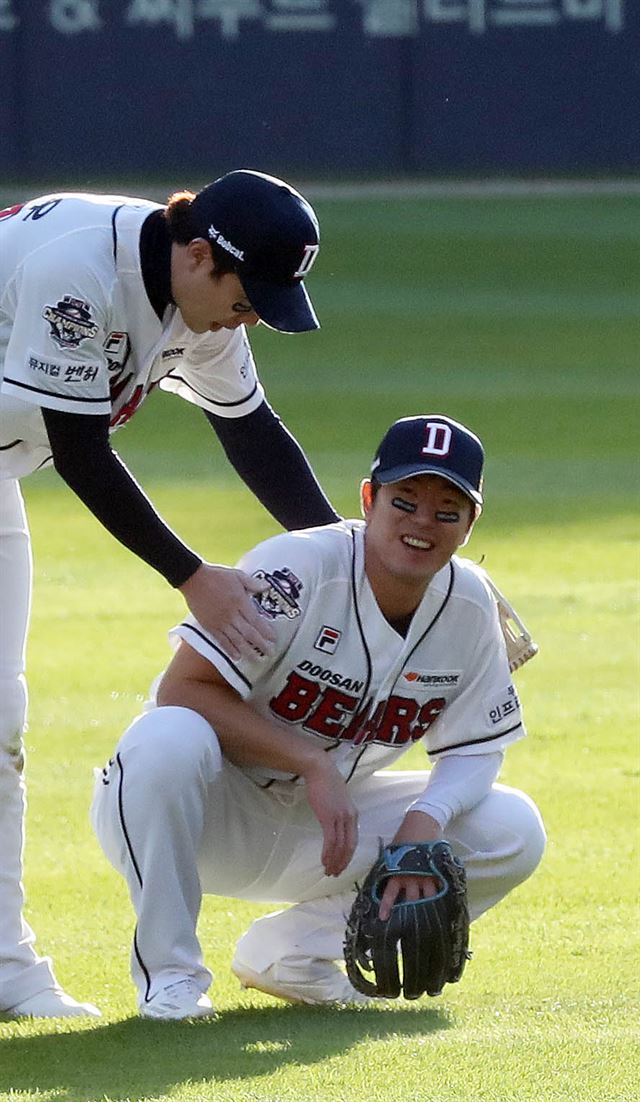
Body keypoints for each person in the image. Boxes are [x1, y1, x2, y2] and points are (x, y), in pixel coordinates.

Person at [0, 170, 340, 1018]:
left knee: (2, 723)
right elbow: (82, 455)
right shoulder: (78, 270)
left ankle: (4, 967)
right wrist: (193, 576)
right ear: (196, 256)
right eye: (248, 295)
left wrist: (354, 566)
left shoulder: (202, 299)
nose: (251, 315)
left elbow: (253, 435)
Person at [91, 413, 546, 1020]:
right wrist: (311, 762)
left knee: (512, 827)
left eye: (447, 510)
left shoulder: (468, 603)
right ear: (368, 498)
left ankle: (289, 954)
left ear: (470, 523)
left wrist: (424, 820)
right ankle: (171, 979)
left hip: (326, 831)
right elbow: (182, 690)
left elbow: (475, 747)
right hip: (202, 816)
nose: (422, 524)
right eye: (405, 501)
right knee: (164, 737)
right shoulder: (299, 567)